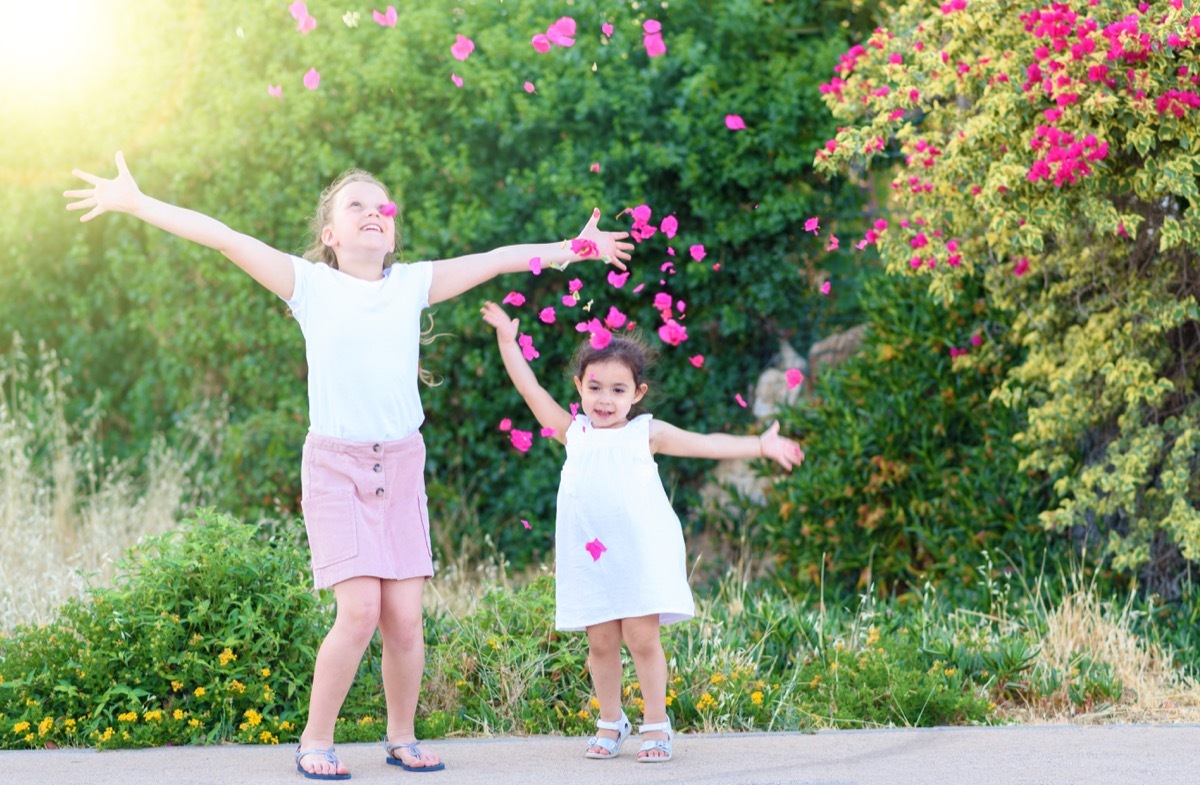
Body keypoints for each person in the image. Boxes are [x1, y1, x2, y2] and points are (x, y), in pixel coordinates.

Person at [64, 153, 633, 780]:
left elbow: (498, 258)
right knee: (359, 611)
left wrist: (573, 247)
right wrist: (139, 203)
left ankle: (401, 737)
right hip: (336, 468)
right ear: (330, 236)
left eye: (381, 207)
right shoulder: (310, 285)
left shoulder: (412, 284)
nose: (372, 213)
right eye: (355, 205)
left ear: (393, 231)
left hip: (401, 465)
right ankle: (315, 739)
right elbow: (224, 237)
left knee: (406, 618)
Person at [479, 301, 803, 763]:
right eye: (594, 388)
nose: (604, 399)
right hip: (591, 557)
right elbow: (529, 389)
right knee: (600, 642)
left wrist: (761, 444)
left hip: (640, 553)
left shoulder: (645, 433)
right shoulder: (574, 433)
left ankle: (656, 723)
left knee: (642, 638)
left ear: (637, 392)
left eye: (617, 389)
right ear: (579, 388)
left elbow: (707, 445)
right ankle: (611, 721)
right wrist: (509, 343)